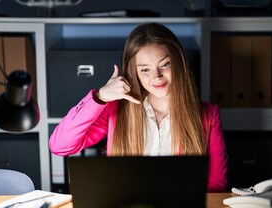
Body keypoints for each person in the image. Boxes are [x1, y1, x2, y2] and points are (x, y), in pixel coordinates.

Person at [49, 22, 228, 192]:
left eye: (165, 64)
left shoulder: (208, 115)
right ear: (135, 73)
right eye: (145, 69)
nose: (157, 76)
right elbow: (60, 146)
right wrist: (100, 96)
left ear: (178, 62)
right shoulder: (116, 110)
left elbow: (216, 186)